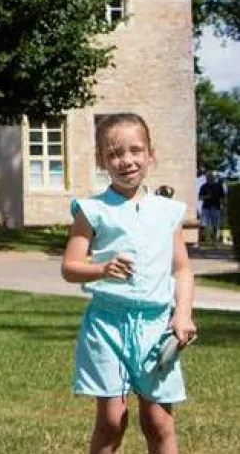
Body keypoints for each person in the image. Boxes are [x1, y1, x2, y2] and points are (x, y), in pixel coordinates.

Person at [61, 114, 197, 454]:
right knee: (111, 420)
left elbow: (182, 270)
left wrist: (182, 315)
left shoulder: (167, 212)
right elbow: (70, 268)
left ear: (151, 154)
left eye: (136, 150)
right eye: (114, 154)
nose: (126, 160)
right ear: (102, 160)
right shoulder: (91, 210)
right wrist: (102, 268)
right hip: (108, 325)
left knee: (158, 421)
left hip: (155, 326)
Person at [198, 171, 225, 245]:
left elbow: (222, 198)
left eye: (210, 177)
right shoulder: (203, 186)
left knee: (215, 225)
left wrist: (223, 207)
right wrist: (206, 196)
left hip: (216, 207)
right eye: (207, 177)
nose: (208, 179)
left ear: (213, 178)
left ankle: (214, 242)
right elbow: (200, 197)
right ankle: (199, 241)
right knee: (203, 224)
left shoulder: (219, 186)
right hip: (206, 207)